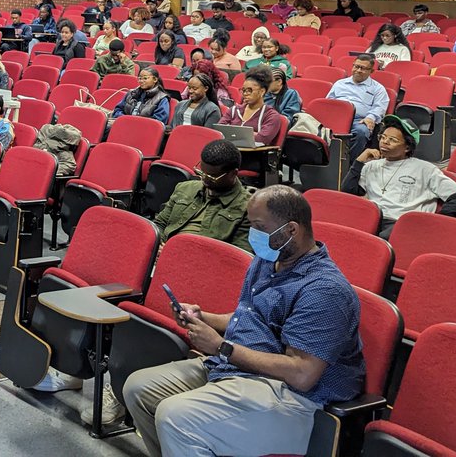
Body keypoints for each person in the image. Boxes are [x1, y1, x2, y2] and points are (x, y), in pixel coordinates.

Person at [123, 186, 365, 457]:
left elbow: (302, 374)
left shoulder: (324, 289)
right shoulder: (268, 260)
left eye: (260, 227)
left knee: (177, 417)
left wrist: (221, 347)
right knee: (138, 388)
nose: (254, 236)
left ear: (291, 230)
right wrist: (205, 319)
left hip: (295, 398)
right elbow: (249, 317)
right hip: (239, 369)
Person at [340, 115, 456, 237]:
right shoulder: (371, 166)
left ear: (407, 147)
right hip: (371, 219)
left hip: (403, 225)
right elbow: (348, 192)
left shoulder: (425, 169)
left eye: (392, 140)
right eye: (383, 137)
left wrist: (436, 223)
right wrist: (359, 161)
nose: (385, 142)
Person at [154, 139, 252, 250]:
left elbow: (237, 255)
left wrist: (178, 254)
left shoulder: (247, 207)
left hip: (200, 261)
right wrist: (158, 246)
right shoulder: (185, 188)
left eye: (212, 177)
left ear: (233, 174)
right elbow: (160, 223)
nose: (204, 179)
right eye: (201, 172)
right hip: (164, 251)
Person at [328, 55, 390, 158]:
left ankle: (350, 164)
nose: (358, 70)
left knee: (362, 132)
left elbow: (380, 107)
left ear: (371, 71)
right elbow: (328, 102)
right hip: (337, 118)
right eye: (356, 66)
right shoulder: (340, 84)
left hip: (359, 120)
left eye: (363, 68)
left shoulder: (377, 88)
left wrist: (370, 118)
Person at [226, 67, 285, 145]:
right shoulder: (234, 110)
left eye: (249, 90)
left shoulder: (271, 116)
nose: (245, 94)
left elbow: (261, 139)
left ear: (262, 91)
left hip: (254, 155)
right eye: (243, 90)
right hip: (229, 150)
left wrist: (232, 133)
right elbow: (219, 131)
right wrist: (252, 134)